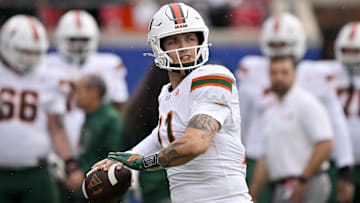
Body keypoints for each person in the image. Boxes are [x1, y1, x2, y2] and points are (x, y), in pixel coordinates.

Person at [92, 2, 252, 203]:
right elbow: (160, 135)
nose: (184, 48)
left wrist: (144, 163)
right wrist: (124, 160)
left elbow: (196, 143)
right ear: (159, 46)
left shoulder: (212, 77)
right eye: (174, 41)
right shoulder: (166, 93)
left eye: (190, 38)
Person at [237, 13, 355, 203]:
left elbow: (335, 127)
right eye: (274, 45)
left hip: (300, 165)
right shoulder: (252, 70)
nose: (278, 52)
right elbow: (241, 119)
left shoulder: (314, 78)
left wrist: (344, 165)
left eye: (285, 72)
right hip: (257, 159)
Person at [0, 15, 83, 203]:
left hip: (36, 172)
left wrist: (71, 164)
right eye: (25, 51)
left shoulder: (49, 76)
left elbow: (57, 128)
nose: (30, 58)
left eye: (35, 52)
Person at [43, 9, 129, 156]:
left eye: (83, 40)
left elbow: (118, 109)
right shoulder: (45, 65)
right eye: (73, 40)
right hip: (54, 143)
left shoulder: (109, 64)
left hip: (94, 143)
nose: (78, 46)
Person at [250, 56, 334, 203]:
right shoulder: (271, 109)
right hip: (282, 186)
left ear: (295, 74)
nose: (279, 77)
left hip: (307, 183)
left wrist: (303, 179)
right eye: (274, 73)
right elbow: (266, 158)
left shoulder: (306, 102)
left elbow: (325, 144)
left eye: (284, 72)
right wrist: (252, 195)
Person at [64, 74, 125, 202]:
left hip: (102, 189)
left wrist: (83, 173)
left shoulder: (110, 119)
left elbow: (114, 156)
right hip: (86, 184)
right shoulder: (90, 116)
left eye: (79, 91)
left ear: (94, 92)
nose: (75, 96)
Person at [332, 21, 360, 203]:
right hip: (336, 164)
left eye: (356, 51)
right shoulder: (327, 74)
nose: (350, 57)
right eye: (346, 51)